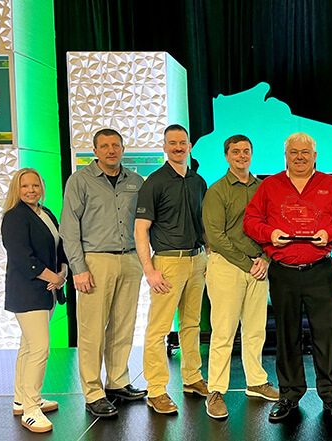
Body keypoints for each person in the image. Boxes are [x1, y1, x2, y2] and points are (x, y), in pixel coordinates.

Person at [243, 132, 332, 423]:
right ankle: (289, 395)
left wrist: (329, 233)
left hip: (320, 271)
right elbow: (250, 220)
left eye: (305, 152)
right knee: (286, 336)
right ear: (286, 156)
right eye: (294, 152)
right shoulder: (270, 185)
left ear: (315, 156)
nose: (300, 157)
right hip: (284, 274)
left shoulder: (331, 185)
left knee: (326, 336)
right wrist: (269, 234)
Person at [60, 128, 147, 418]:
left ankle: (117, 381)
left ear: (123, 149)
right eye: (105, 146)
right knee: (92, 331)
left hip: (130, 259)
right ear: (95, 151)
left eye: (115, 145)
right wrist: (78, 268)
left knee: (124, 325)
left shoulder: (135, 181)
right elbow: (69, 227)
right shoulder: (80, 180)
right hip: (95, 261)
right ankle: (94, 393)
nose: (111, 150)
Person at [202, 135, 279, 419]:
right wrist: (249, 264)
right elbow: (216, 237)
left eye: (246, 151)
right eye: (236, 151)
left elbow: (273, 226)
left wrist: (266, 259)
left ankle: (256, 382)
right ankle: (215, 391)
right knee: (224, 332)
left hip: (259, 267)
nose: (242, 156)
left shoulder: (263, 188)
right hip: (228, 267)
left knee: (256, 330)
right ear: (227, 156)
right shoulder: (217, 191)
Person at [135, 124, 209, 414]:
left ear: (189, 146)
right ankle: (156, 390)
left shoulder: (198, 181)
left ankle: (192, 378)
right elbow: (140, 230)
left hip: (196, 260)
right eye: (172, 143)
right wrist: (149, 271)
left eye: (182, 143)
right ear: (164, 147)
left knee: (191, 324)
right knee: (159, 329)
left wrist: (208, 256)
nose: (178, 147)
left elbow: (203, 225)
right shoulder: (154, 182)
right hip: (167, 263)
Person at [1, 168, 67, 433]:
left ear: (42, 188)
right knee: (40, 348)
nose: (31, 190)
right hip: (27, 291)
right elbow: (22, 257)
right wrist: (55, 277)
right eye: (25, 186)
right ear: (16, 189)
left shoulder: (46, 212)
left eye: (35, 185)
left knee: (28, 347)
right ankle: (31, 410)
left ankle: (22, 400)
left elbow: (59, 247)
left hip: (47, 290)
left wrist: (62, 273)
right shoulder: (14, 216)